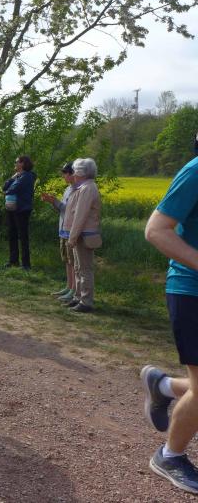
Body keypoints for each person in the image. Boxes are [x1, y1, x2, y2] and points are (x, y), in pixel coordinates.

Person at [139, 152, 198, 494]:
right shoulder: (196, 171)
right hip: (192, 290)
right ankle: (170, 456)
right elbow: (156, 230)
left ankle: (163, 386)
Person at [62, 158, 101, 313]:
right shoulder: (83, 187)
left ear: (81, 173)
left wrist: (72, 238)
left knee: (84, 269)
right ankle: (78, 297)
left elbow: (80, 215)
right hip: (80, 234)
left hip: (84, 235)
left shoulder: (87, 188)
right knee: (78, 268)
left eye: (76, 171)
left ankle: (86, 301)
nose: (73, 174)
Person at [41, 162, 77, 303]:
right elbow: (61, 209)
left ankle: (74, 289)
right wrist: (52, 202)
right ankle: (68, 286)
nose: (63, 176)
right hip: (63, 229)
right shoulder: (68, 189)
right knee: (66, 260)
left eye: (65, 173)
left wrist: (54, 200)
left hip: (70, 229)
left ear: (72, 173)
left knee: (73, 262)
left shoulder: (77, 190)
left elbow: (69, 210)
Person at [2, 155, 36, 269]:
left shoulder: (27, 176)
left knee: (23, 236)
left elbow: (12, 189)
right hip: (12, 208)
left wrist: (7, 191)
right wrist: (12, 178)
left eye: (16, 162)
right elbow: (5, 187)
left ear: (22, 163)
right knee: (12, 234)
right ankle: (13, 261)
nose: (15, 164)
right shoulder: (18, 176)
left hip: (22, 209)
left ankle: (26, 264)